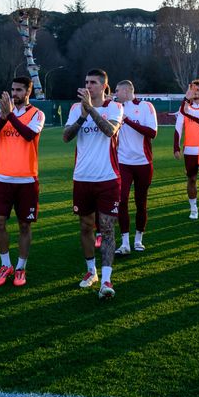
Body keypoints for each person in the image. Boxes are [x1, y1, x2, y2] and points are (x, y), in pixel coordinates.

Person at [63, 68, 123, 299]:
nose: (88, 86)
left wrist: (91, 110)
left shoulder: (115, 107)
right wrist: (82, 114)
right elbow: (66, 137)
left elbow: (110, 131)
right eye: (86, 82)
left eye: (93, 83)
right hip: (82, 178)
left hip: (108, 178)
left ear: (104, 87)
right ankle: (91, 272)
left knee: (107, 228)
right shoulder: (75, 108)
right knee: (86, 227)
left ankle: (107, 279)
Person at [0, 77, 45, 287]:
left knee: (24, 225)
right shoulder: (2, 114)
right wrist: (4, 116)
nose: (14, 93)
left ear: (28, 92)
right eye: (12, 90)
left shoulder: (37, 114)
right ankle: (5, 264)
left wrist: (9, 115)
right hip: (2, 178)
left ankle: (20, 267)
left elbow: (28, 135)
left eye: (19, 90)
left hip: (27, 179)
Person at [114, 80, 157, 255]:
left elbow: (152, 132)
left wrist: (128, 120)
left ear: (126, 90)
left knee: (141, 202)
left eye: (117, 90)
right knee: (121, 200)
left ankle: (138, 239)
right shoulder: (115, 107)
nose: (115, 93)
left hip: (143, 162)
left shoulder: (146, 106)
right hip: (123, 162)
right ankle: (125, 242)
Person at [173, 80, 199, 219]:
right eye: (192, 90)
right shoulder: (184, 108)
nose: (195, 93)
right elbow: (178, 127)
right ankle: (193, 208)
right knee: (191, 179)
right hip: (190, 151)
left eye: (198, 90)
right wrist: (176, 146)